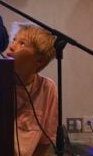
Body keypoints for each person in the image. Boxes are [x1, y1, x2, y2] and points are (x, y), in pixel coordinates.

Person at [5, 22, 58, 156]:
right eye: (14, 40)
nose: (11, 47)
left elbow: (45, 141)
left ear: (39, 61)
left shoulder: (48, 89)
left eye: (22, 44)